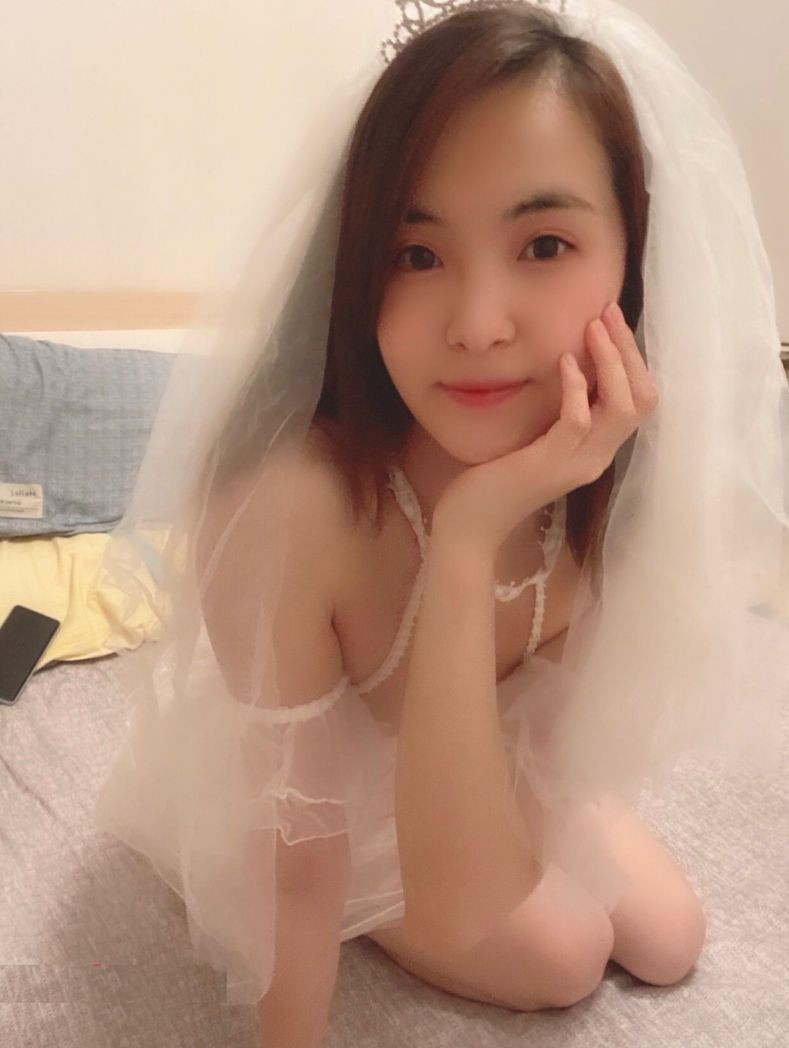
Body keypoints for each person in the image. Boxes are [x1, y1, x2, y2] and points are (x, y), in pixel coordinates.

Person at [94, 1, 789, 1043]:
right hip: (319, 800)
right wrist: (466, 538)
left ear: (632, 251)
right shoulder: (294, 507)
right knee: (564, 954)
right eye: (416, 255)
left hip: (478, 763)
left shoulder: (625, 461)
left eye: (544, 243)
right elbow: (336, 860)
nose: (475, 324)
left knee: (671, 937)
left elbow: (555, 737)